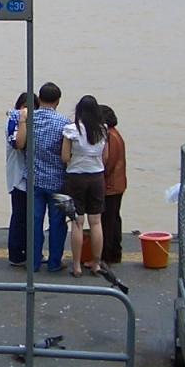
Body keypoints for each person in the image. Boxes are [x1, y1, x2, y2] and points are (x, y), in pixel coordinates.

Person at [15, 82, 70, 272]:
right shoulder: (64, 123)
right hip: (57, 180)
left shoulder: (30, 119)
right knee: (57, 224)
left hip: (34, 180)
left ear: (39, 98)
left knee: (34, 223)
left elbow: (19, 144)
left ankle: (33, 262)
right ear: (58, 101)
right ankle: (54, 263)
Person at [62, 94, 107, 277]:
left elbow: (65, 157)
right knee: (96, 222)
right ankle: (96, 264)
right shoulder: (103, 130)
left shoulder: (71, 130)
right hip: (97, 176)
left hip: (76, 177)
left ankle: (76, 266)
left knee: (77, 222)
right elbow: (105, 157)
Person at [5, 91, 39, 267]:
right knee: (19, 216)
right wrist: (23, 119)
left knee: (30, 218)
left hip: (34, 179)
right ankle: (16, 254)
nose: (27, 111)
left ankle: (30, 251)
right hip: (18, 178)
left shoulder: (37, 122)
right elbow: (19, 144)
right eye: (24, 107)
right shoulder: (13, 122)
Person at [100, 104, 126, 264]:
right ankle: (115, 252)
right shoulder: (115, 133)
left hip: (111, 185)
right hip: (118, 184)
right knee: (114, 218)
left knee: (108, 221)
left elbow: (108, 162)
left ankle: (107, 254)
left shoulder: (110, 136)